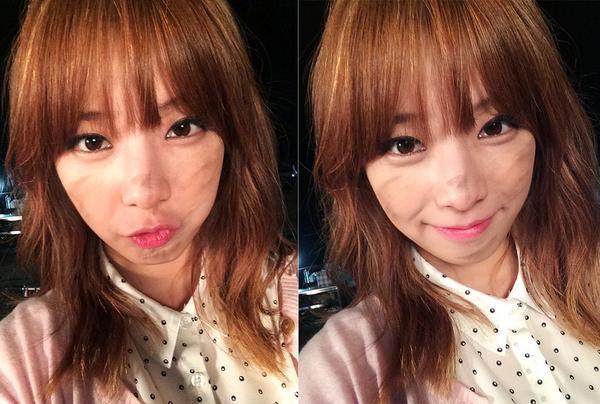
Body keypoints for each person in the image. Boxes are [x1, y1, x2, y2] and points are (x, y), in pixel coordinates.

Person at [300, 0, 600, 403]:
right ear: (357, 169)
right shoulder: (345, 372)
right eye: (405, 145)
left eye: (494, 126)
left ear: (543, 129)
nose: (461, 195)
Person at [1, 0, 298, 402]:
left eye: (182, 127)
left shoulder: (291, 305)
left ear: (233, 134)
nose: (144, 193)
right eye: (93, 141)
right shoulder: (25, 365)